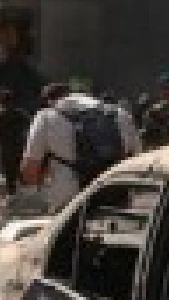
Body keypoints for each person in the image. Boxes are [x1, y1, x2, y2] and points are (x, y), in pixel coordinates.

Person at [20, 83, 140, 212]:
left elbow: (29, 172)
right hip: (115, 200)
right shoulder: (120, 114)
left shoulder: (46, 117)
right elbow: (137, 163)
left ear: (49, 101)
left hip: (69, 202)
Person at [0, 87, 29, 196]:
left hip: (8, 148)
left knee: (11, 174)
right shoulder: (20, 114)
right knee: (19, 173)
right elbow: (29, 129)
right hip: (18, 147)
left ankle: (13, 195)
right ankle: (22, 195)